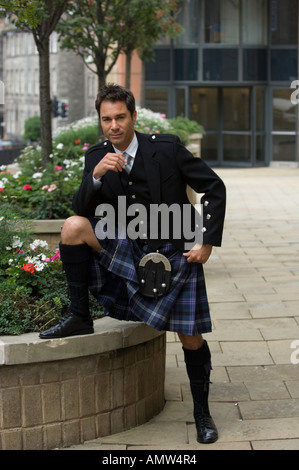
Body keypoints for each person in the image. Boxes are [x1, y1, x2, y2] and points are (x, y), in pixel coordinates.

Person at [40, 84, 226, 444]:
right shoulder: (96, 155)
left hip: (172, 251)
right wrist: (95, 176)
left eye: (120, 117)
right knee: (73, 227)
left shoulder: (166, 148)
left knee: (190, 337)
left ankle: (202, 412)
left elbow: (214, 187)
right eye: (106, 119)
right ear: (100, 121)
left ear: (134, 116)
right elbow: (82, 210)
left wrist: (206, 241)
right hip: (125, 249)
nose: (113, 126)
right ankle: (79, 316)